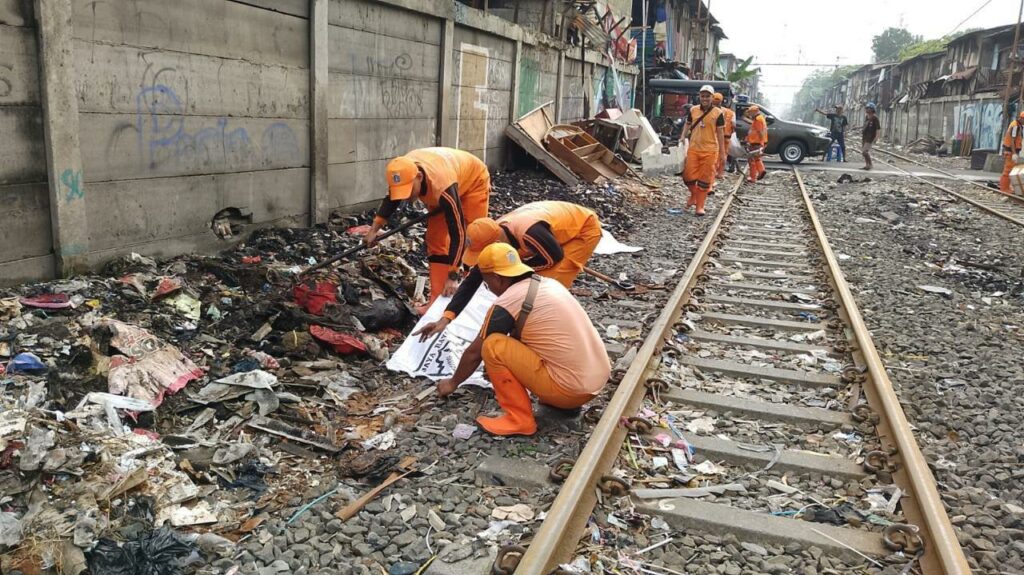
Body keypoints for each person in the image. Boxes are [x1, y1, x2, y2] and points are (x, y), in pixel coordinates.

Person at [436, 243, 610, 436]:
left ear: (496, 278)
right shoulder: (549, 284)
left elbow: (474, 354)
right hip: (596, 381)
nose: (489, 288)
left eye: (486, 283)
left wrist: (452, 383)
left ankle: (519, 420)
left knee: (493, 346)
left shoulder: (507, 302)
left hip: (570, 391)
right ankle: (558, 400)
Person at [414, 201, 602, 340]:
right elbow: (472, 281)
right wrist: (446, 318)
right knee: (520, 281)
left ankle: (552, 331)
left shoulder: (529, 233)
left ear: (496, 242)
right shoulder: (491, 233)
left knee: (548, 284)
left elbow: (554, 257)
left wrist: (516, 273)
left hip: (582, 229)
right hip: (549, 236)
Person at [364, 147, 490, 309]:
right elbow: (391, 200)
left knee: (473, 239)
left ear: (419, 177)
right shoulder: (402, 172)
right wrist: (373, 230)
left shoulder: (442, 187)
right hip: (443, 181)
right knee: (435, 240)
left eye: (409, 191)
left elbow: (458, 232)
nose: (406, 197)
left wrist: (453, 275)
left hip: (473, 182)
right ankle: (437, 302)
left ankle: (467, 296)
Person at [680, 85, 726, 216]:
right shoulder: (693, 110)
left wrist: (722, 154)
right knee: (687, 176)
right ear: (699, 97)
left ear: (712, 97)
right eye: (703, 96)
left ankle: (700, 206)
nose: (705, 98)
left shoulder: (718, 113)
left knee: (704, 180)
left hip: (710, 150)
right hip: (693, 149)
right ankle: (694, 195)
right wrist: (682, 136)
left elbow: (720, 133)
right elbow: (688, 124)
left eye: (707, 96)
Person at [999, 110, 1024, 193]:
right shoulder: (1015, 126)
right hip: (1010, 152)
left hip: (1011, 151)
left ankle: (1006, 187)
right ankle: (1004, 189)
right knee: (1008, 170)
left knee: (1010, 169)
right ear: (1022, 119)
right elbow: (1012, 140)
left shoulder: (1017, 125)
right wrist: (1014, 153)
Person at [714, 92, 737, 175]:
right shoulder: (731, 113)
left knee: (715, 153)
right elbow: (734, 125)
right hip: (726, 136)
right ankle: (720, 173)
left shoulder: (712, 111)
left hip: (716, 136)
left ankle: (714, 171)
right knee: (724, 154)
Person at [744, 105, 768, 183]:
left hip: (755, 142)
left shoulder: (758, 120)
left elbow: (760, 132)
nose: (749, 114)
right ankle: (761, 171)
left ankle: (754, 176)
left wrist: (762, 143)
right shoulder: (760, 118)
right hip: (757, 142)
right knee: (756, 158)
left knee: (752, 160)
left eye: (750, 112)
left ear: (754, 112)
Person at [861, 103, 881, 171]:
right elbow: (865, 125)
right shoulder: (867, 117)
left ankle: (871, 164)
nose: (867, 109)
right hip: (865, 136)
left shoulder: (875, 118)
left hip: (870, 137)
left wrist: (876, 137)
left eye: (868, 108)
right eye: (866, 108)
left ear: (872, 109)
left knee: (865, 151)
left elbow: (878, 128)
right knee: (863, 152)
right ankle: (867, 165)